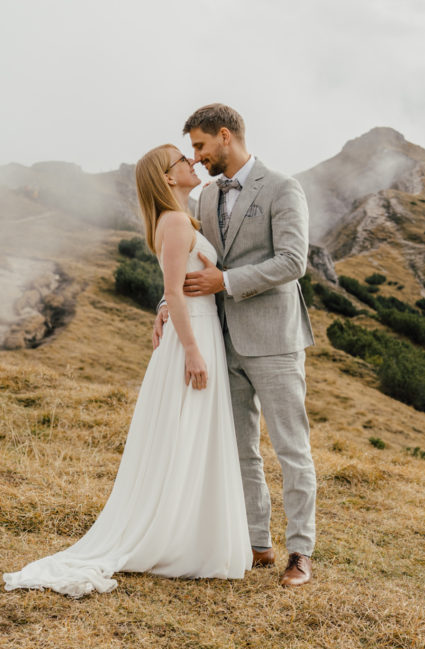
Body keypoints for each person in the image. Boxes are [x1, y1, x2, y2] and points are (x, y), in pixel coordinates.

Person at [2, 144, 251, 598]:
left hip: (200, 329)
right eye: (182, 160)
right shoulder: (175, 222)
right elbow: (174, 292)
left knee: (192, 432)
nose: (192, 162)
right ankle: (175, 537)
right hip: (194, 335)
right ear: (168, 177)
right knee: (185, 430)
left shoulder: (181, 219)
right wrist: (192, 351)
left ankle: (187, 533)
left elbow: (179, 287)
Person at [154, 103, 316, 587]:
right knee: (241, 448)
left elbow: (293, 261)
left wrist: (227, 281)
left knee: (291, 449)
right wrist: (166, 303)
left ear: (225, 136)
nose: (197, 157)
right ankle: (257, 544)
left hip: (275, 339)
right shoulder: (204, 198)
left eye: (201, 146)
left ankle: (300, 553)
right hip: (222, 341)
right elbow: (190, 260)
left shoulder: (283, 188)